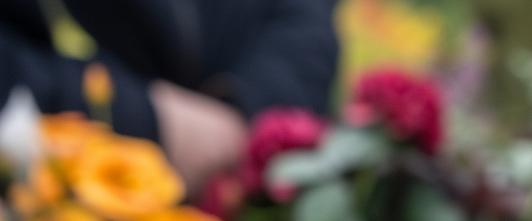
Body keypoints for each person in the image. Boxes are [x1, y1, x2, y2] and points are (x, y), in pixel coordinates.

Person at [0, 0, 339, 193]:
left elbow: (304, 18)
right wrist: (146, 118)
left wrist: (249, 113)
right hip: (48, 192)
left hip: (238, 187)